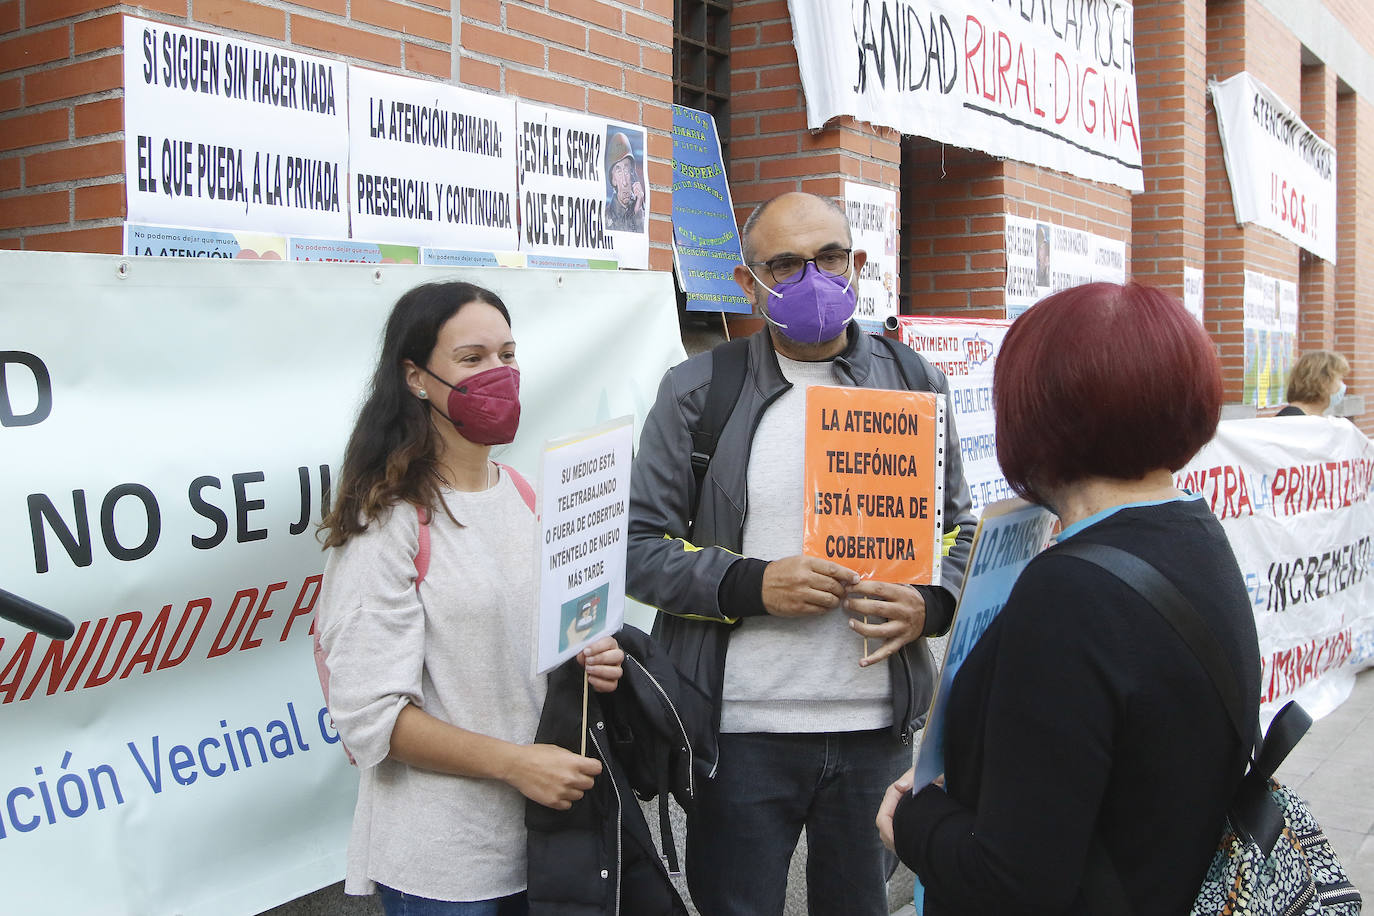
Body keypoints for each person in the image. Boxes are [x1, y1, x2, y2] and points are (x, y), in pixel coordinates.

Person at [627, 191, 976, 915]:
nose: (811, 278)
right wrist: (751, 584)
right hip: (739, 735)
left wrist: (930, 601)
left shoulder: (914, 382)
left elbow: (959, 528)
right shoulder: (699, 391)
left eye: (829, 257)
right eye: (784, 264)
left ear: (860, 263)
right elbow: (638, 548)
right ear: (745, 280)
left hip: (875, 733)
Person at [876, 282, 1262, 914]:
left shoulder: (1070, 592)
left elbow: (1010, 882)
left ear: (1037, 416)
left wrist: (914, 822)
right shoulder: (1193, 532)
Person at [316, 280, 625, 915]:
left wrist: (591, 658)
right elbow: (374, 719)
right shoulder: (387, 524)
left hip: (545, 847)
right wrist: (516, 764)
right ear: (415, 378)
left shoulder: (525, 494)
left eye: (508, 356)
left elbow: (541, 646)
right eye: (472, 358)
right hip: (444, 867)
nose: (499, 374)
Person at [1277, 348, 1350, 416]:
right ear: (1323, 381)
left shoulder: (1310, 419)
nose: (1343, 386)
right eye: (1340, 379)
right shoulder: (1292, 421)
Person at [606, 131, 645, 231]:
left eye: (627, 171)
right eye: (619, 172)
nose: (624, 182)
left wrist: (638, 211)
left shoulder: (640, 210)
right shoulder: (605, 216)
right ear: (613, 180)